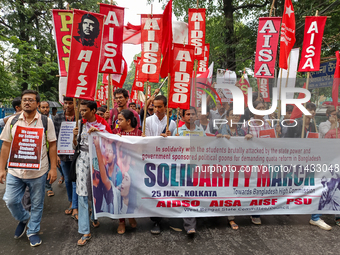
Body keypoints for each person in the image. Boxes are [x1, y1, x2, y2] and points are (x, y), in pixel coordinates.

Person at [0, 90, 57, 247]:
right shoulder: (12, 120)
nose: (27, 102)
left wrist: (53, 168)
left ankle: (32, 231)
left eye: (31, 100)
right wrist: (2, 169)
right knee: (10, 200)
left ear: (37, 104)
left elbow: (52, 145)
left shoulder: (46, 122)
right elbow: (5, 145)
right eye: (25, 100)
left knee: (37, 204)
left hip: (38, 172)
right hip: (15, 171)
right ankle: (25, 218)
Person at [73, 100, 112, 246]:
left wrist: (99, 133)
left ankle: (94, 217)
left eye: (85, 110)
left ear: (93, 111)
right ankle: (85, 231)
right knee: (82, 193)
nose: (82, 113)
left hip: (98, 161)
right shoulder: (80, 124)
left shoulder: (103, 124)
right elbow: (75, 145)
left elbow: (111, 142)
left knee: (96, 190)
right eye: (81, 110)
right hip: (82, 159)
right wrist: (74, 135)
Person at [242, 100, 280, 225]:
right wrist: (245, 137)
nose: (263, 110)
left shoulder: (268, 123)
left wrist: (277, 133)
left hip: (265, 160)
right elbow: (239, 141)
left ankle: (257, 211)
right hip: (251, 160)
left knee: (263, 185)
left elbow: (272, 141)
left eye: (264, 107)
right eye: (260, 108)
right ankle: (253, 213)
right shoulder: (247, 124)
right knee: (253, 186)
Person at [216, 107, 252, 230]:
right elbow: (213, 144)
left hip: (238, 165)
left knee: (235, 189)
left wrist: (248, 138)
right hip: (225, 166)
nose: (235, 117)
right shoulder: (222, 129)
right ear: (227, 117)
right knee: (227, 190)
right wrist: (219, 138)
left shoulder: (241, 131)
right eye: (232, 115)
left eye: (237, 115)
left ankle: (231, 216)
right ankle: (227, 216)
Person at [144, 95, 175, 234]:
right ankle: (155, 221)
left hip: (167, 161)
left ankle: (166, 215)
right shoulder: (148, 121)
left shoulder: (172, 124)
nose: (156, 109)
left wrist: (171, 138)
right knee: (154, 190)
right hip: (152, 160)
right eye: (154, 106)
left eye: (159, 107)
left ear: (165, 107)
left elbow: (176, 145)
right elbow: (146, 141)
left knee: (166, 188)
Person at [173, 107, 204, 235]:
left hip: (197, 167)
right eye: (187, 114)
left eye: (193, 114)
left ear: (196, 116)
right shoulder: (178, 131)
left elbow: (207, 145)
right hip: (183, 168)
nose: (190, 116)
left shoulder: (201, 130)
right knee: (187, 194)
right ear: (183, 117)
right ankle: (190, 225)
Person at [112, 109, 140, 234]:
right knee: (120, 193)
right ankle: (121, 221)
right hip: (119, 170)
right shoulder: (115, 132)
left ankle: (131, 215)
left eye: (121, 120)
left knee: (132, 193)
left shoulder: (139, 134)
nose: (118, 122)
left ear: (128, 121)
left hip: (135, 169)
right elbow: (104, 139)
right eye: (117, 119)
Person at [53, 97, 79, 220]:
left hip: (77, 154)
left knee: (75, 180)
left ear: (75, 104)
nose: (68, 106)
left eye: (70, 103)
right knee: (68, 180)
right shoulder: (57, 118)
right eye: (66, 103)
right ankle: (71, 201)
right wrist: (56, 156)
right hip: (63, 155)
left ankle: (75, 206)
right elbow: (54, 138)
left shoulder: (79, 118)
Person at [39, 101, 54, 197]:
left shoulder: (52, 119)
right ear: (39, 108)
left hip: (49, 150)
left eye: (47, 107)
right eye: (43, 107)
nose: (45, 109)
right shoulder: (38, 120)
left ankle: (48, 188)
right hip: (38, 150)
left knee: (48, 169)